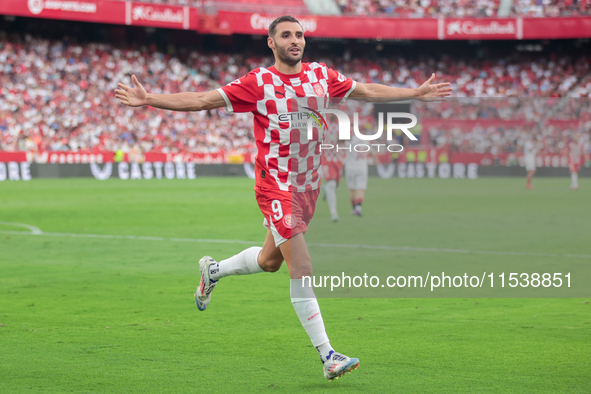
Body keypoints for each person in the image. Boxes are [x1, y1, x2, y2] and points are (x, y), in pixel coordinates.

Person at [115, 15, 452, 381]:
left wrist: (414, 93)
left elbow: (367, 90)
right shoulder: (258, 83)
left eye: (300, 35)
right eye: (286, 35)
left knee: (270, 261)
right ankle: (328, 356)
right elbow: (200, 99)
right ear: (271, 43)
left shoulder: (321, 75)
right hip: (276, 185)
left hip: (308, 185)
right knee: (302, 266)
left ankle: (213, 271)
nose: (296, 40)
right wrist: (150, 100)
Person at [345, 135, 378, 216]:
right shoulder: (365, 141)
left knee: (352, 189)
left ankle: (353, 209)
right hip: (362, 167)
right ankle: (358, 208)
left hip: (350, 167)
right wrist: (375, 160)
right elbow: (371, 152)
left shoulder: (350, 140)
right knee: (361, 189)